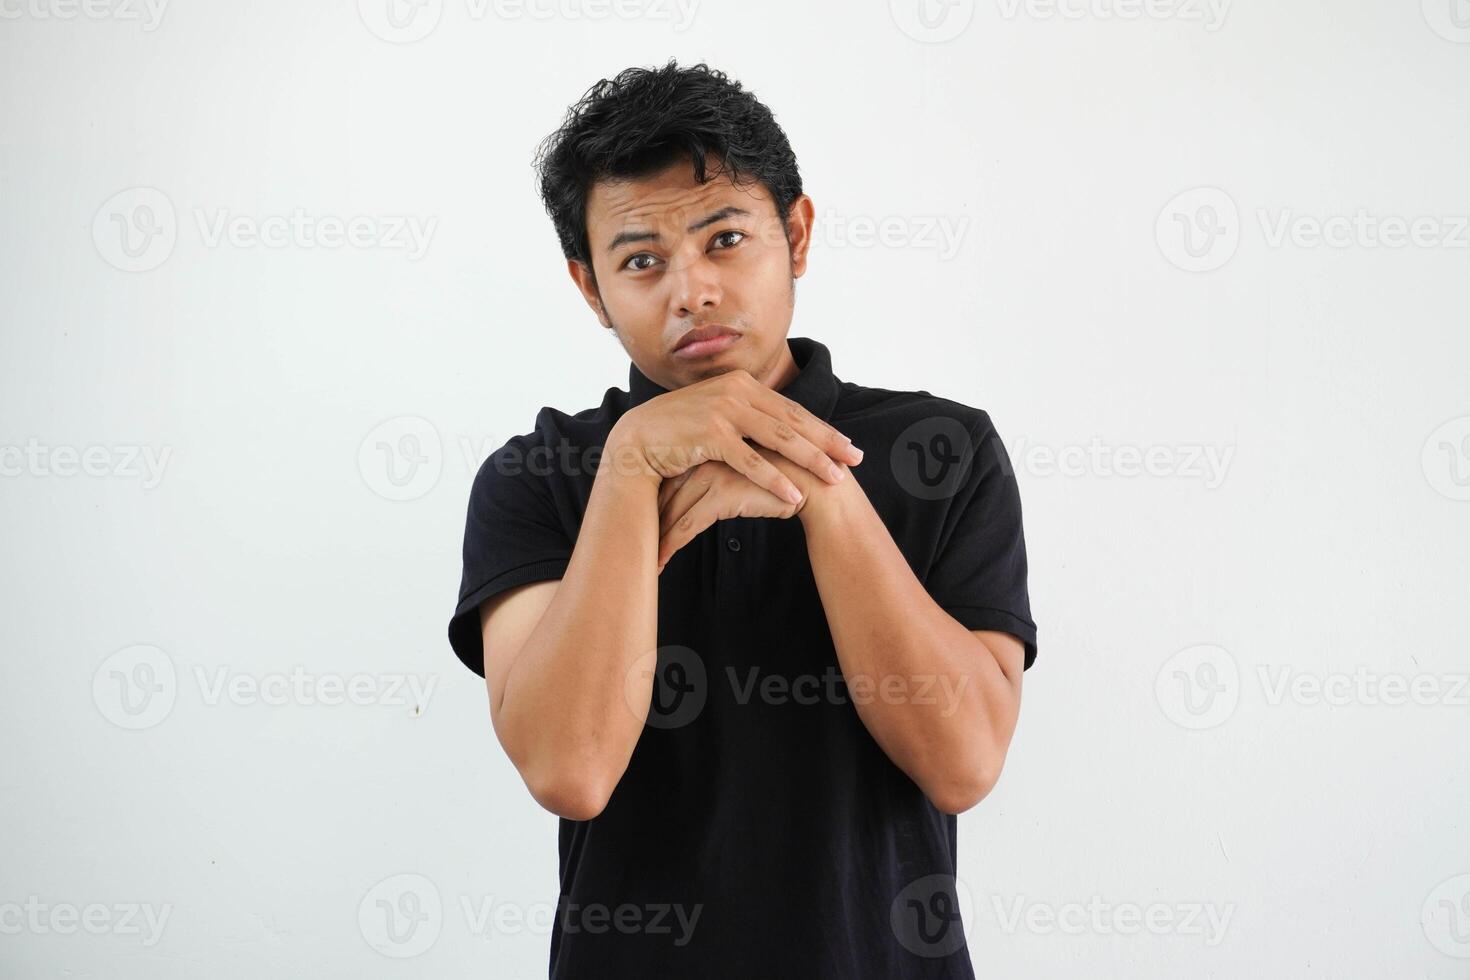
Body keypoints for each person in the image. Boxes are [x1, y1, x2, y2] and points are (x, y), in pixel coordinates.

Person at [448, 59, 1038, 980]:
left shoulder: (941, 449)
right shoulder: (538, 475)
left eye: (725, 239)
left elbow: (962, 763)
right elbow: (570, 769)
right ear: (590, 288)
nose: (692, 291)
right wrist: (632, 466)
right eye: (641, 260)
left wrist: (821, 485)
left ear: (796, 234)